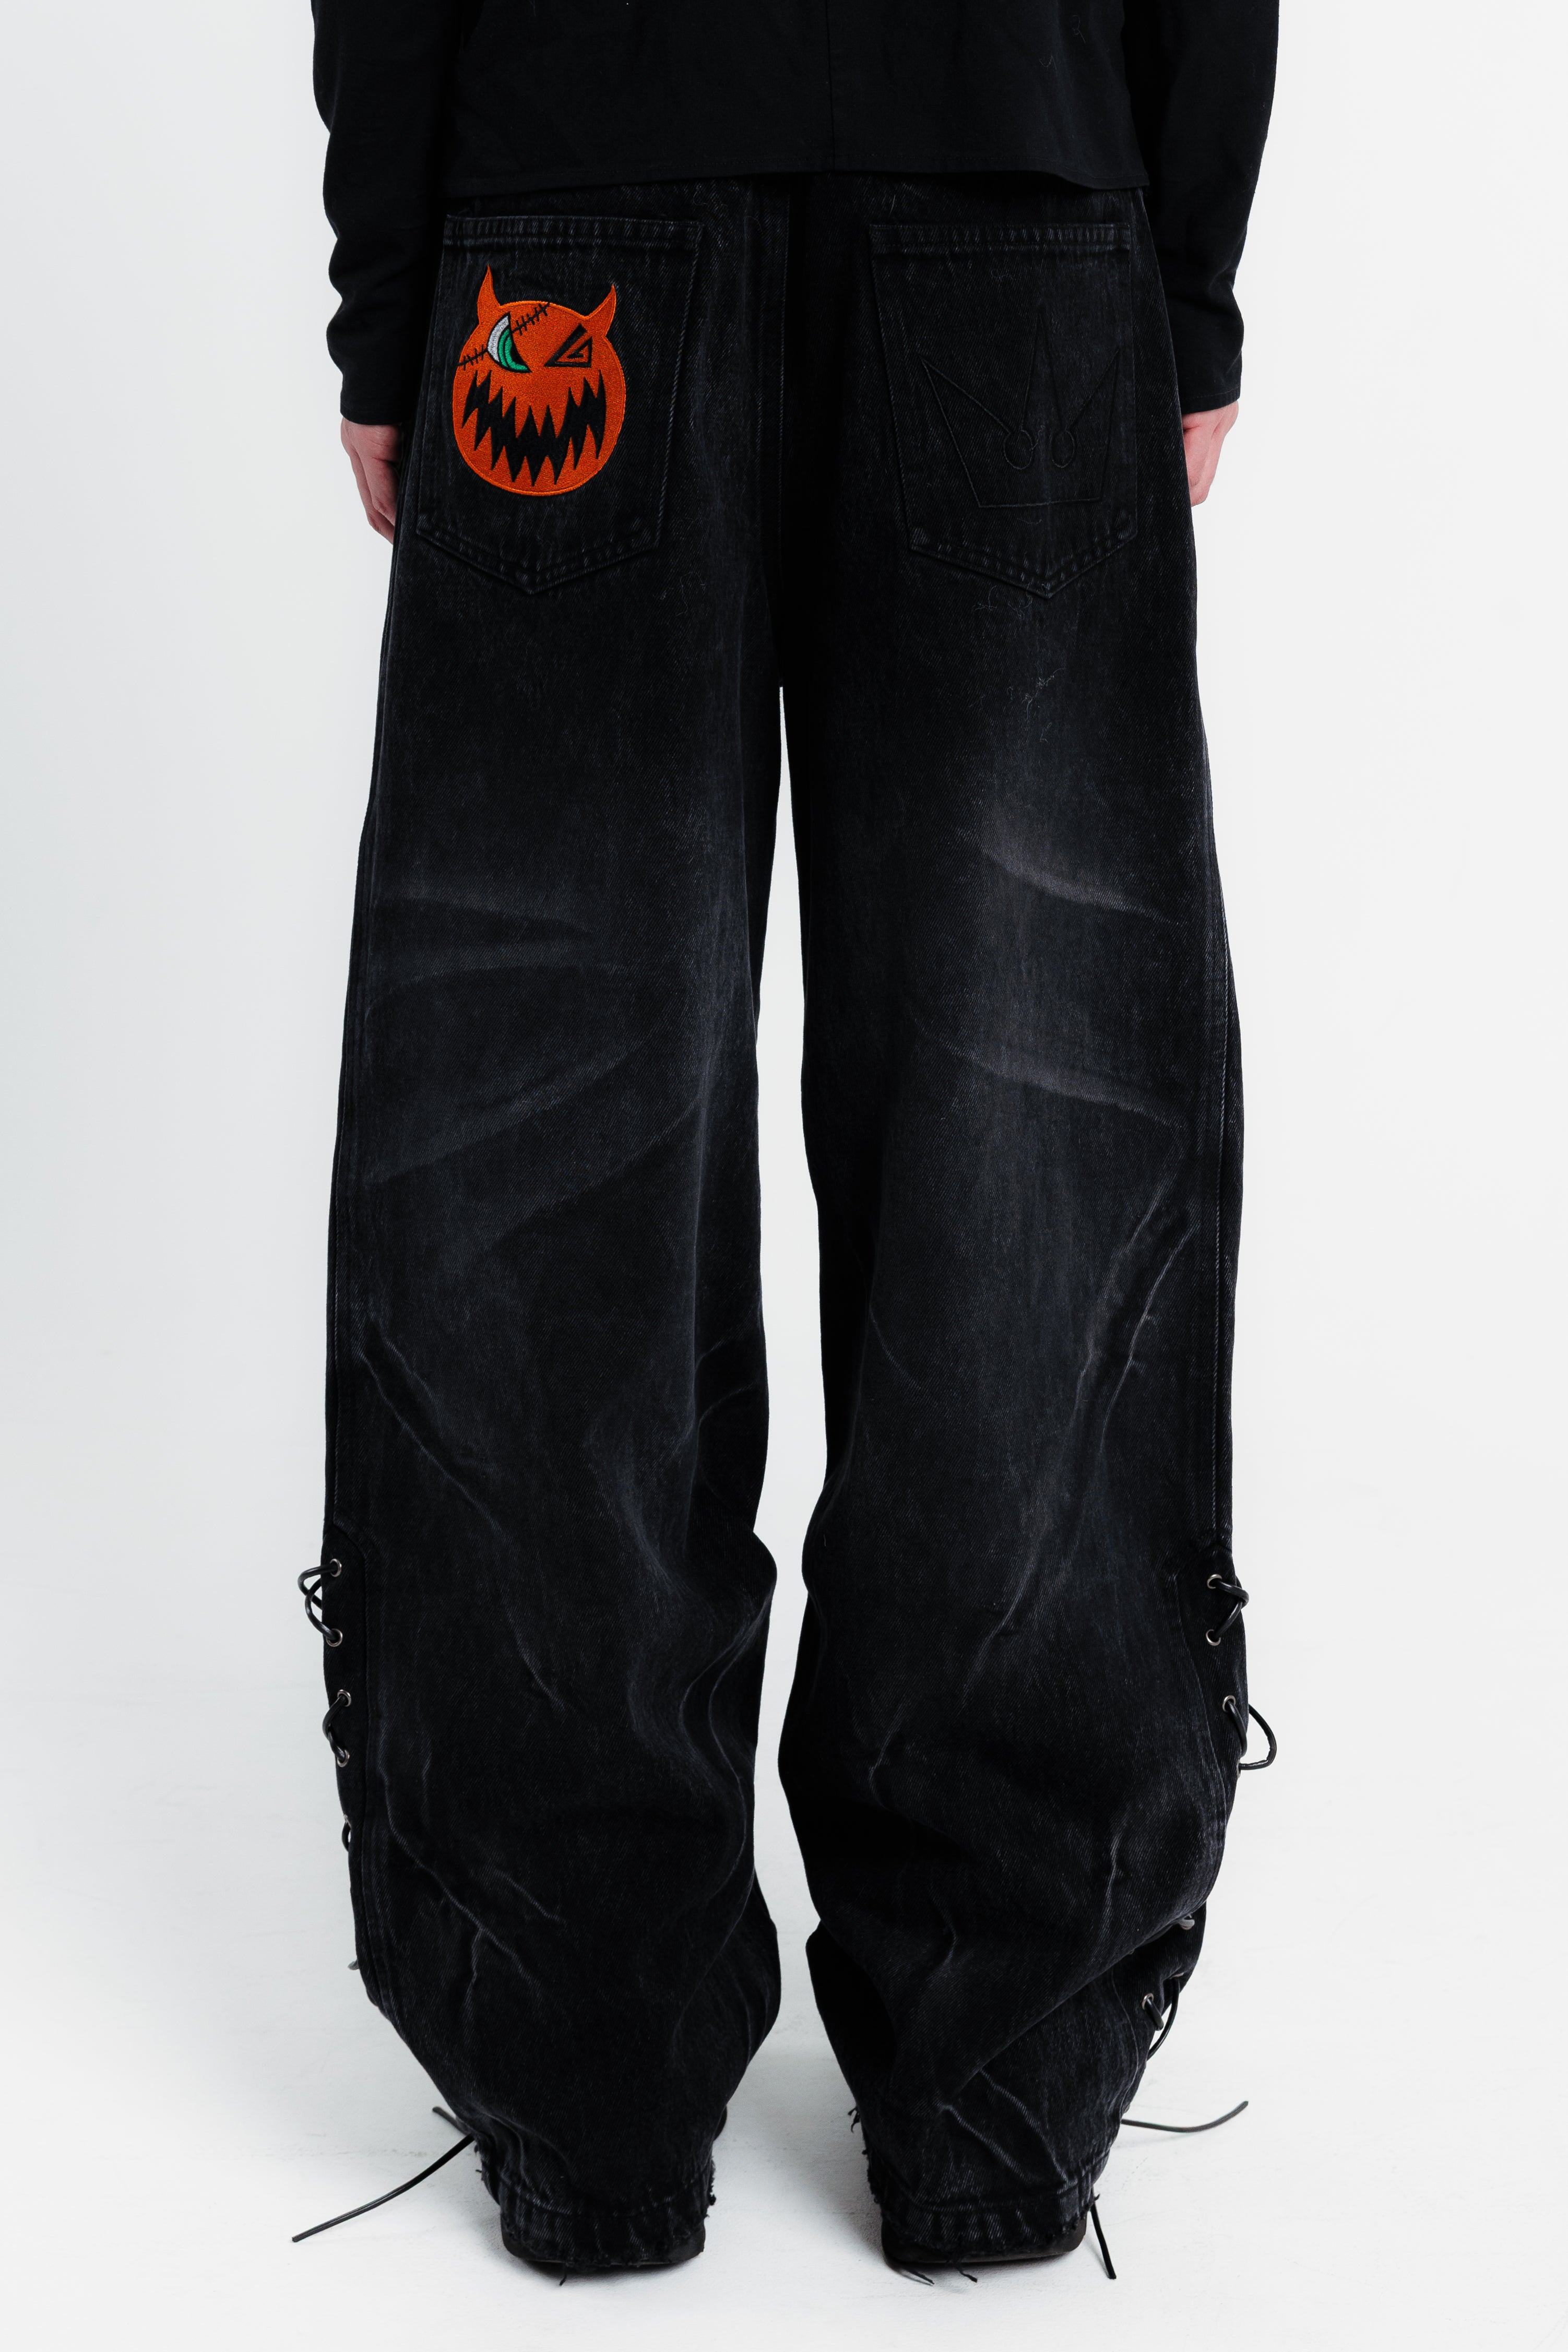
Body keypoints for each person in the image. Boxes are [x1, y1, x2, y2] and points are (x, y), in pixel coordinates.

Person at [305, 0, 1277, 2279]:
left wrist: (394, 283)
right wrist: (1181, 273)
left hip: (570, 200)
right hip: (1022, 184)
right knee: (1028, 1130)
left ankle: (576, 2067)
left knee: (542, 1121)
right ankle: (1002, 2070)